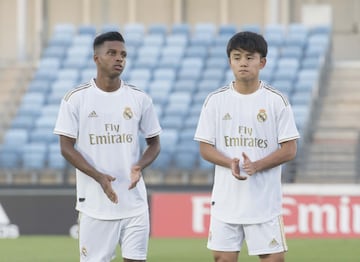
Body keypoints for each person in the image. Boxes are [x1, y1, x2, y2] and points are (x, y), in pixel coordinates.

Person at [54, 31, 161, 262]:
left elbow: (154, 143)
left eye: (123, 54)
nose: (119, 58)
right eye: (111, 53)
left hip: (135, 203)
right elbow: (66, 147)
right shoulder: (76, 98)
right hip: (95, 206)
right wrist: (99, 177)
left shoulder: (139, 98)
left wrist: (139, 165)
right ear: (96, 58)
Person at [194, 31, 300, 262]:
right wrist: (229, 162)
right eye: (237, 56)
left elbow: (290, 149)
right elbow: (205, 148)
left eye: (250, 57)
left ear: (262, 62)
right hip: (226, 203)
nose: (243, 62)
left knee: (274, 260)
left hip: (264, 203)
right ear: (230, 61)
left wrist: (257, 165)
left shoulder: (276, 101)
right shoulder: (215, 100)